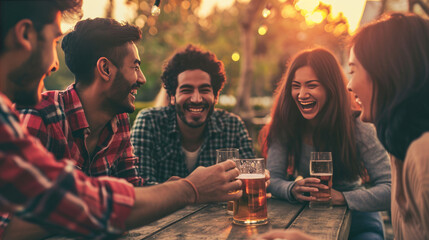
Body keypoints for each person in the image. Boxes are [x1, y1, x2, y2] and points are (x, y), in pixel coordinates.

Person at [0, 1, 242, 239]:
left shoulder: (118, 122)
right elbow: (11, 225)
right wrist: (189, 190)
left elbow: (126, 193)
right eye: (135, 67)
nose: (142, 79)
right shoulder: (38, 117)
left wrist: (172, 188)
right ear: (105, 69)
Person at [259, 47, 391, 240]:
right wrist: (292, 189)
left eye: (311, 85)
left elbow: (390, 189)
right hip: (309, 221)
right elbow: (272, 179)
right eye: (296, 86)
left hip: (359, 221)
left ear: (331, 87)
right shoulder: (286, 123)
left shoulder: (358, 126)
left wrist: (342, 197)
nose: (302, 94)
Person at [347, 13, 429, 240]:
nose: (349, 85)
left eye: (353, 71)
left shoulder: (424, 154)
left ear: (385, 71)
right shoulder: (401, 147)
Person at [131, 44, 255, 184]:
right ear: (172, 96)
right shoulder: (149, 122)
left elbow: (249, 179)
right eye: (186, 90)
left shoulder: (233, 126)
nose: (196, 99)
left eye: (204, 90)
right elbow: (141, 187)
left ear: (216, 96)